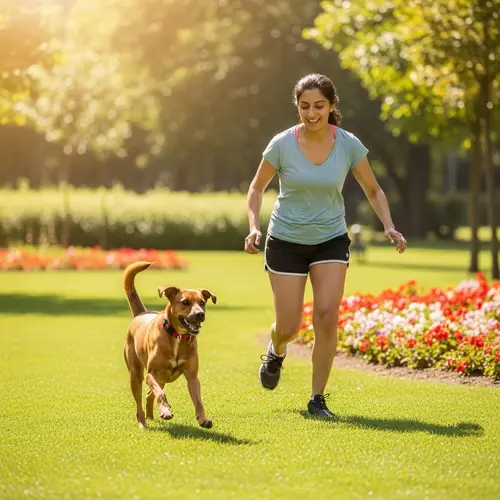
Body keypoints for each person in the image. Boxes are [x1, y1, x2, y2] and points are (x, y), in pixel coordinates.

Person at [244, 73, 407, 417]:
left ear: (332, 106)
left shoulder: (348, 144)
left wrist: (389, 226)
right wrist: (253, 227)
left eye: (319, 105)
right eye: (304, 106)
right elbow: (257, 188)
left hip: (330, 239)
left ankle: (317, 398)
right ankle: (277, 351)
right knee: (289, 326)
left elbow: (373, 189)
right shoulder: (282, 144)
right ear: (297, 107)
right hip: (286, 240)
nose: (311, 112)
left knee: (326, 315)